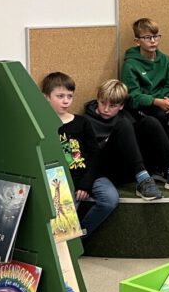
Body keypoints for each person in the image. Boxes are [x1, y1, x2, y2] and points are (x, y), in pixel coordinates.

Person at [82, 80, 169, 199]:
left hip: (132, 165)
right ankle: (143, 180)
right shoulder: (86, 121)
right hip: (108, 169)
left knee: (150, 122)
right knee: (123, 124)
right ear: (97, 99)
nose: (106, 109)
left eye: (112, 106)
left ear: (121, 106)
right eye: (102, 103)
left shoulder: (125, 113)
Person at [41, 72, 120, 235]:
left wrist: (86, 183)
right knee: (64, 225)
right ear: (46, 97)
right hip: (61, 181)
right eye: (60, 96)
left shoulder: (82, 122)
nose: (66, 101)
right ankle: (69, 243)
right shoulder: (43, 126)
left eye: (69, 96)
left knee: (110, 199)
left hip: (89, 175)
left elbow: (94, 154)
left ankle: (80, 236)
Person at [120, 17, 169, 173]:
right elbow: (132, 95)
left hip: (166, 102)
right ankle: (166, 164)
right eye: (148, 37)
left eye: (156, 36)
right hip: (146, 106)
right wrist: (156, 101)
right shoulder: (130, 64)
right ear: (137, 41)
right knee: (159, 117)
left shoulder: (165, 60)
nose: (153, 41)